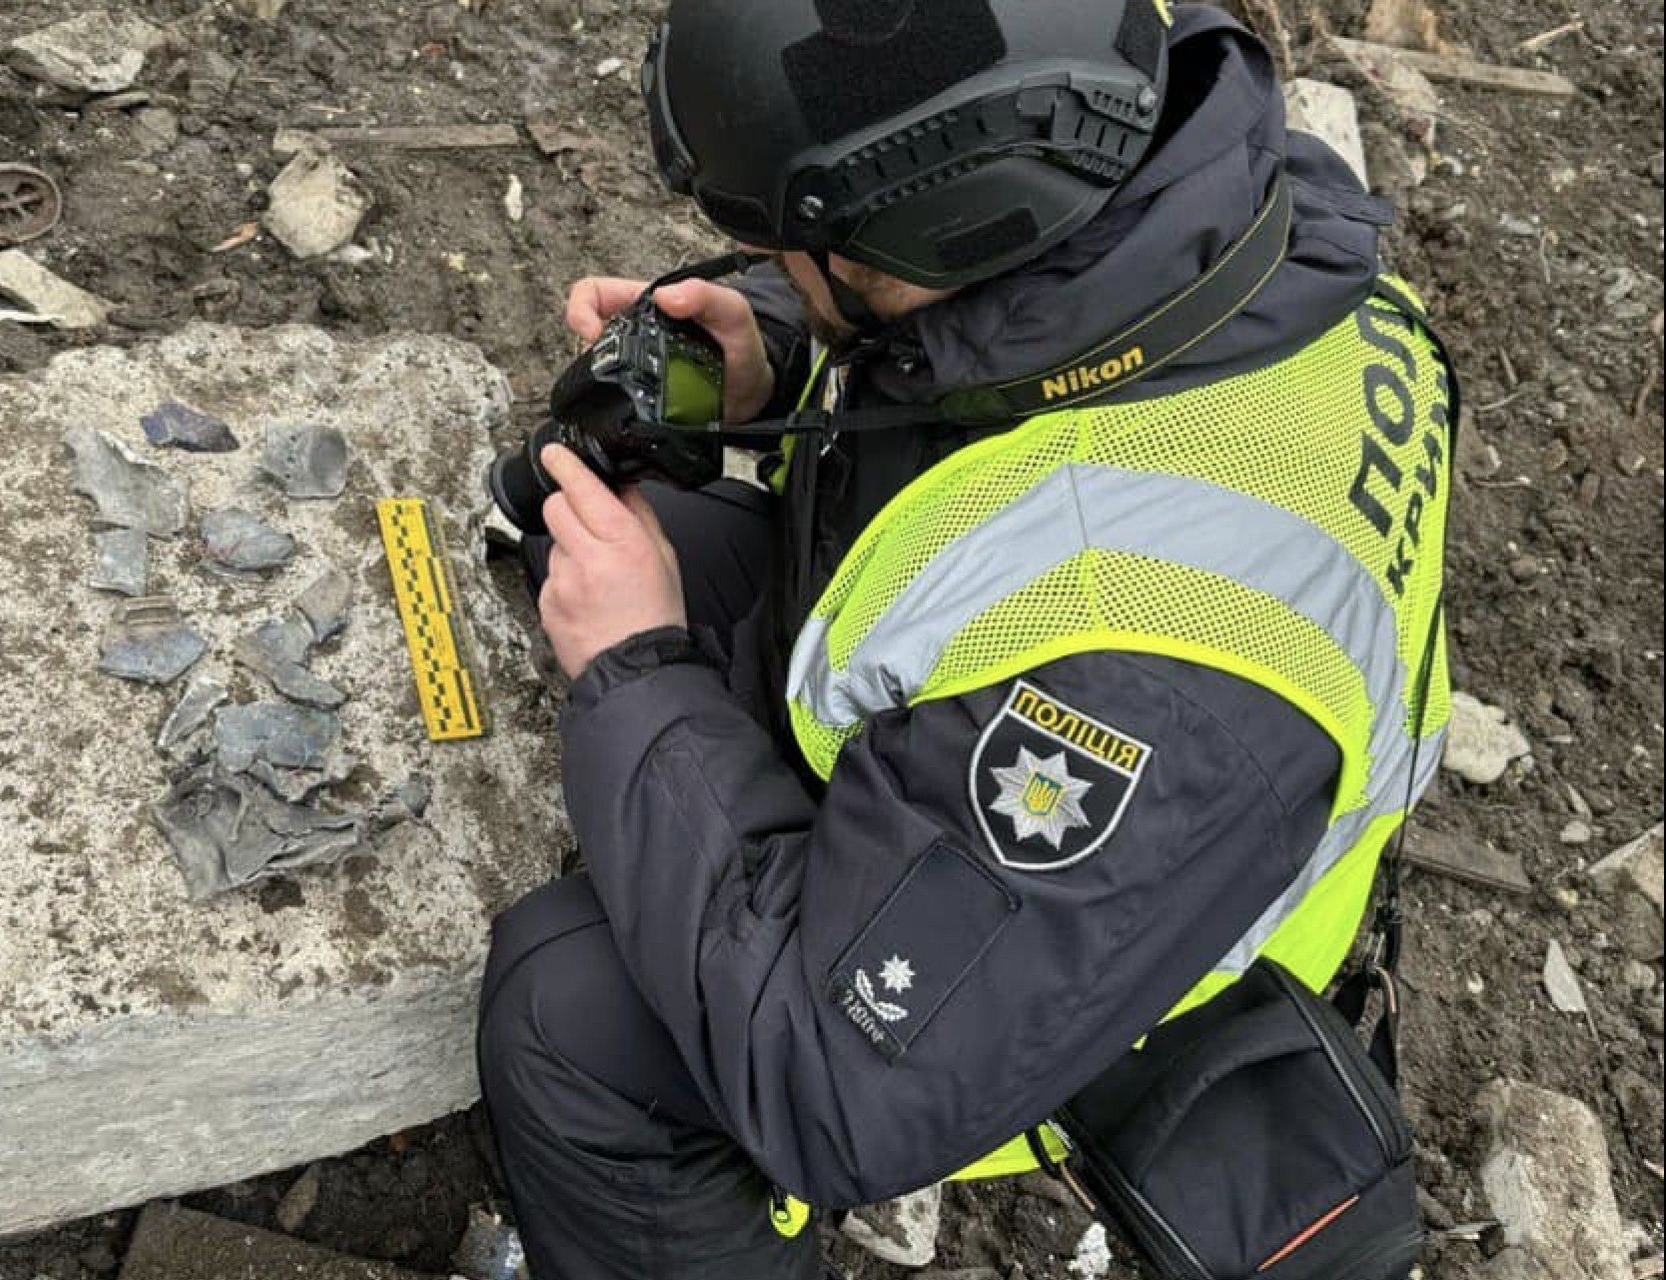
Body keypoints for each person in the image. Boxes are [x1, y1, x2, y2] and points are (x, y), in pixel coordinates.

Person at [475, 2, 1457, 1277]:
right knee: (622, 534)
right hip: (1068, 686)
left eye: (795, 243)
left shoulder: (1151, 692)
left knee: (571, 1016)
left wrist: (637, 670)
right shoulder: (1199, 173)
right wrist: (787, 343)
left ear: (932, 231)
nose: (769, 254)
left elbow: (834, 1084)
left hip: (1117, 967)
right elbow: (1033, 358)